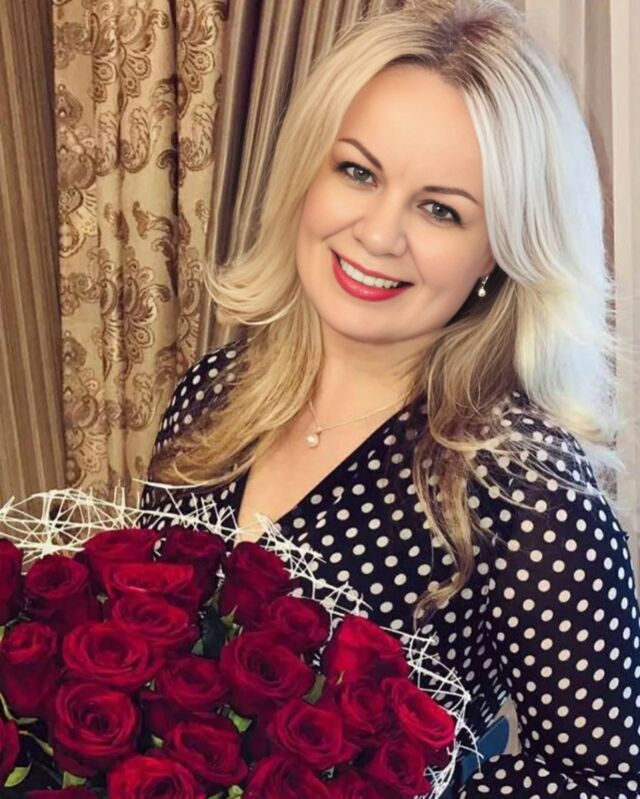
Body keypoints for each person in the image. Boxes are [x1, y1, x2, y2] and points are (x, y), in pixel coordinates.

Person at [139, 0, 640, 796]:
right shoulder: (212, 394)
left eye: (441, 209)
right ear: (308, 171)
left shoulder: (526, 484)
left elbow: (602, 777)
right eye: (358, 171)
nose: (378, 233)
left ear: (499, 251)